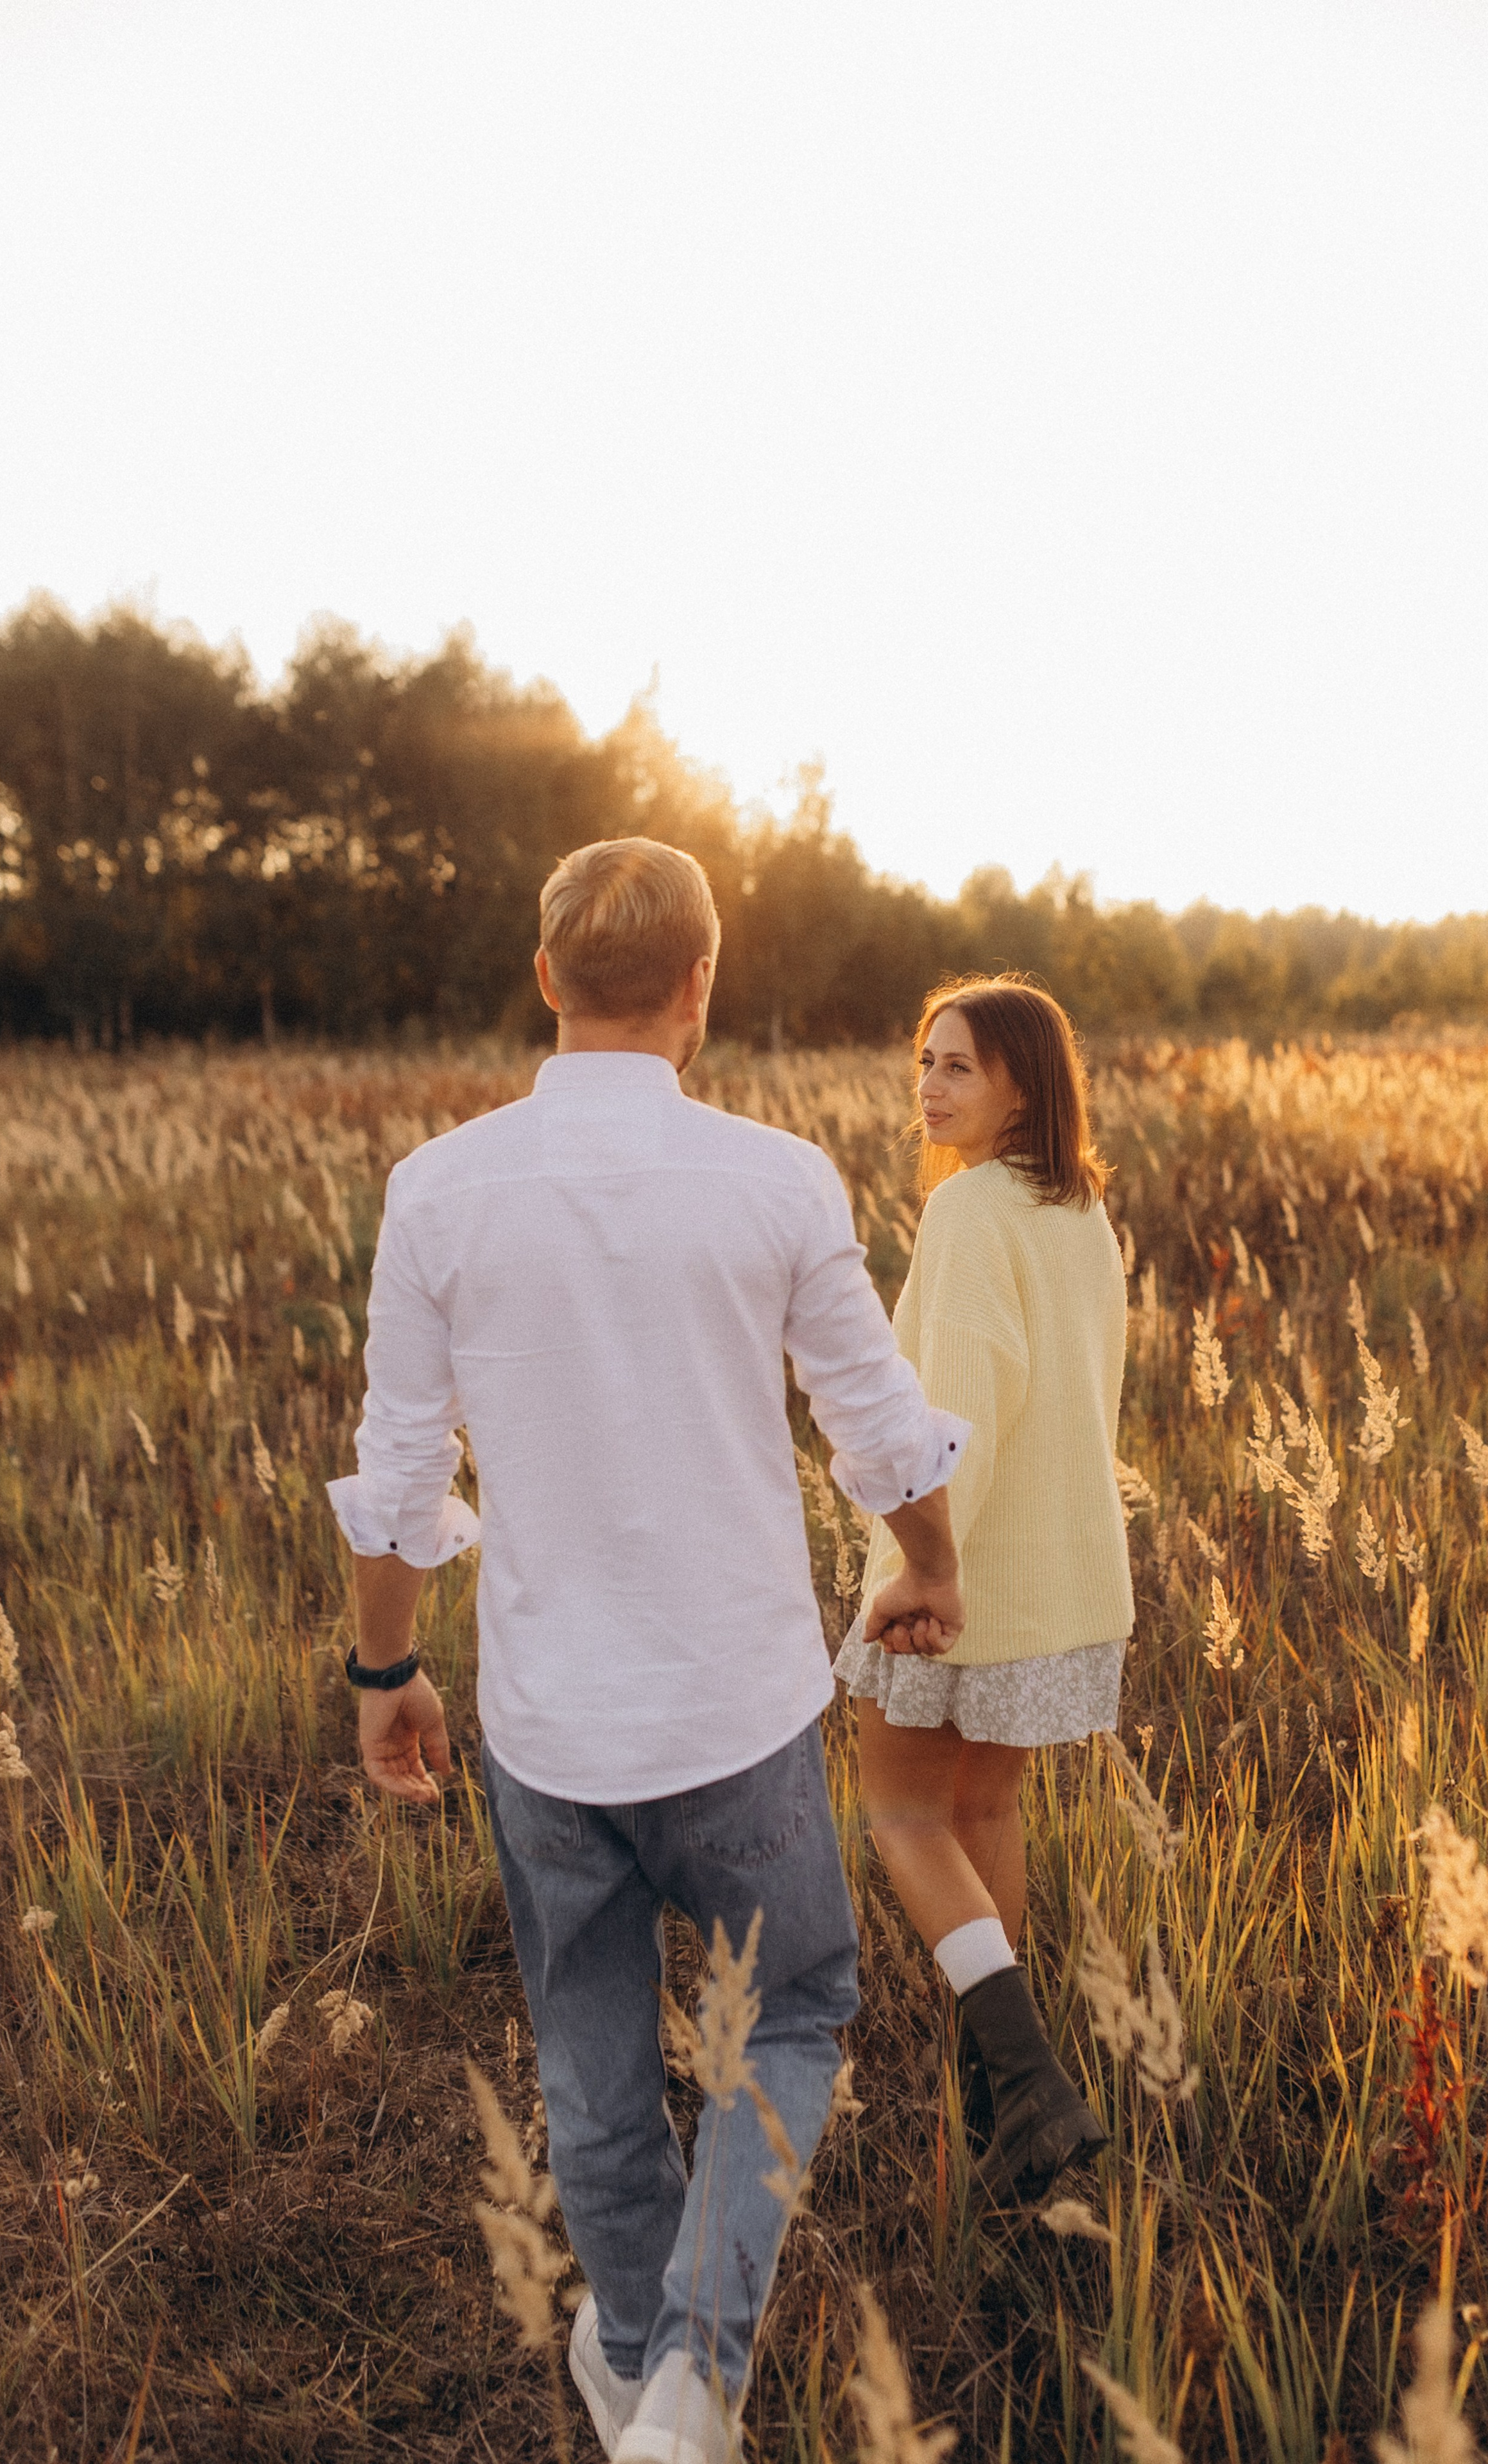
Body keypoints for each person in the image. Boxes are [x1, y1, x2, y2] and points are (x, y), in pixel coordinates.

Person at [327, 839, 969, 2464]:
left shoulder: (438, 1189)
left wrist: (383, 1674)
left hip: (551, 1728)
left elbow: (400, 1470)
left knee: (588, 2060)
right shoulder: (774, 1177)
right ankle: (686, 2374)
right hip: (739, 1709)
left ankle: (636, 2366)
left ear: (546, 980)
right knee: (799, 2010)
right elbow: (878, 1424)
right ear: (700, 988)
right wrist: (924, 1565)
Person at [833, 975, 1133, 2207]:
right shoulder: (1081, 1220)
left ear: (1025, 1085)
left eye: (959, 1064)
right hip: (1065, 1585)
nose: (930, 1085)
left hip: (962, 1577)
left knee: (901, 1812)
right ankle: (1001, 2101)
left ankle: (1026, 2077)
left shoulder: (967, 1217)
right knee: (984, 1816)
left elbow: (953, 1411)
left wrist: (923, 1568)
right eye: (925, 1060)